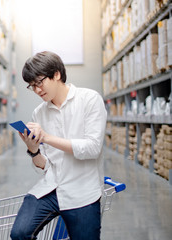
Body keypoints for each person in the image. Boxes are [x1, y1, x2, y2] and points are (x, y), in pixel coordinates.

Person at [10, 51, 107, 240]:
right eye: (32, 86)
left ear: (56, 74)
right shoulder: (39, 113)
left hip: (83, 191)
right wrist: (33, 149)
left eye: (40, 82)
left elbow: (92, 148)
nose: (37, 90)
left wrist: (46, 137)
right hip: (51, 188)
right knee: (19, 233)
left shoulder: (89, 100)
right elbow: (45, 166)